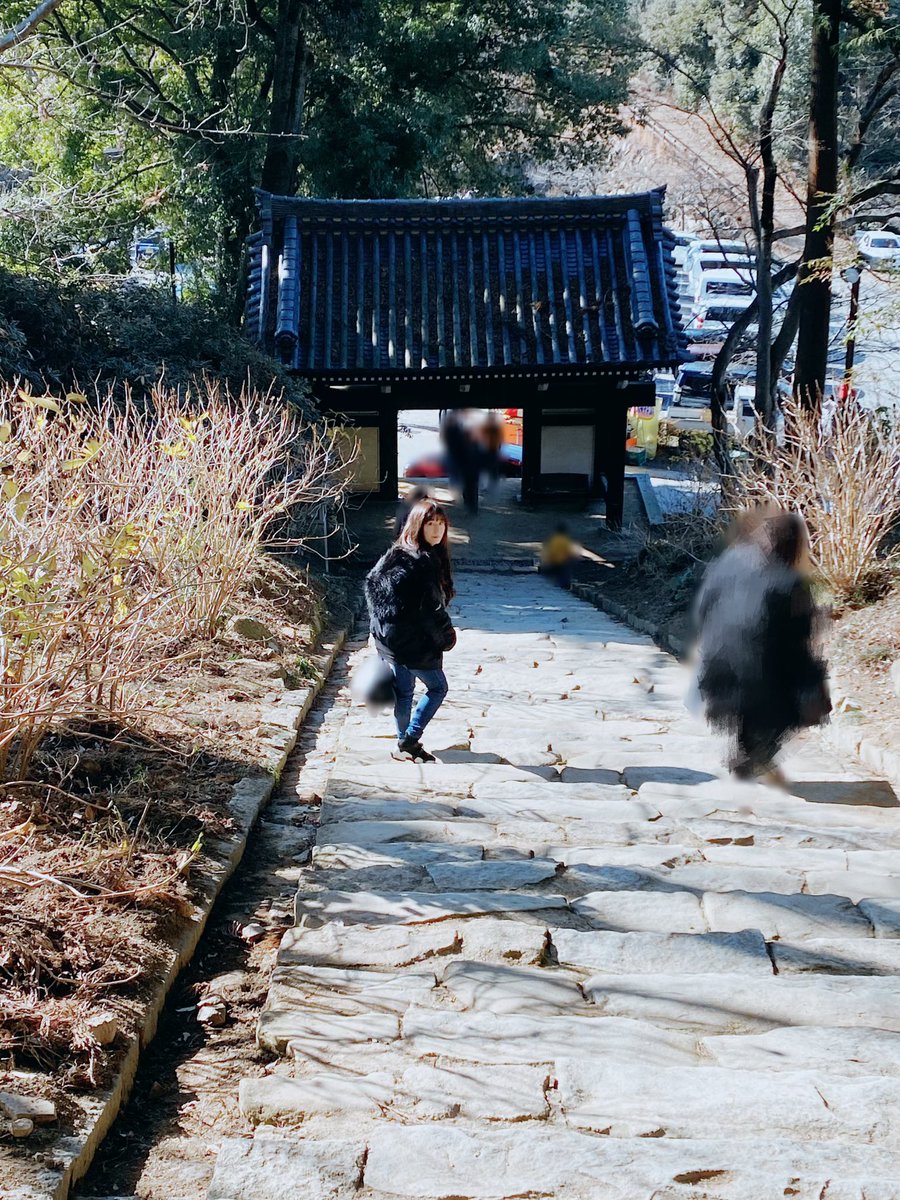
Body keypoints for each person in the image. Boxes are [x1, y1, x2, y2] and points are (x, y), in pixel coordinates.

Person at [693, 508, 831, 783]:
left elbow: (702, 610)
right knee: (800, 676)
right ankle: (759, 748)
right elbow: (798, 639)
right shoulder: (790, 583)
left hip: (716, 673)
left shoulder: (729, 562)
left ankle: (747, 746)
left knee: (760, 661)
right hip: (759, 681)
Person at [365, 498, 456, 762]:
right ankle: (408, 740)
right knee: (438, 688)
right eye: (430, 523)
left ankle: (402, 745)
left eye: (441, 524)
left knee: (404, 692)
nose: (437, 530)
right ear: (418, 525)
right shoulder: (421, 561)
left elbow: (373, 587)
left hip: (390, 640)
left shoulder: (397, 552)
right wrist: (447, 638)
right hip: (410, 642)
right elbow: (429, 612)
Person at [540, 522, 575, 589]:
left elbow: (549, 551)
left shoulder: (553, 539)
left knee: (556, 575)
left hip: (553, 561)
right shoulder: (565, 540)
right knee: (564, 574)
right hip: (562, 561)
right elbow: (568, 551)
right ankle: (564, 585)